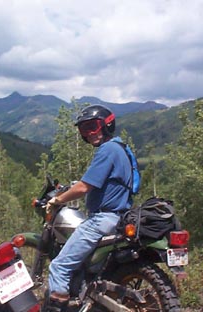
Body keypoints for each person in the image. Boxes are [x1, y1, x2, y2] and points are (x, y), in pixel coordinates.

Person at [43, 104, 135, 311]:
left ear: (106, 125)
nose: (89, 133)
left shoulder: (107, 149)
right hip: (119, 218)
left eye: (93, 127)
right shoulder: (121, 148)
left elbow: (84, 187)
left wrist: (58, 199)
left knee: (59, 266)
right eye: (84, 129)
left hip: (102, 220)